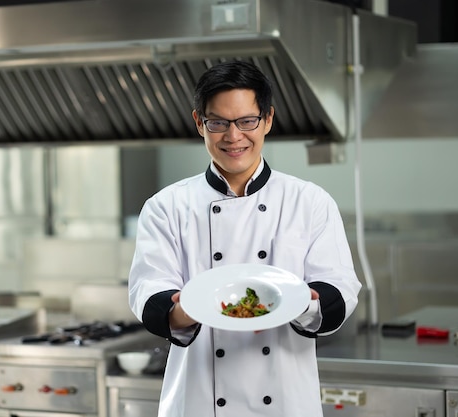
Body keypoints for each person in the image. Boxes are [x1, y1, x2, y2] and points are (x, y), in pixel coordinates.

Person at [128, 60, 362, 417]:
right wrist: (181, 311)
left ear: (267, 119)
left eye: (246, 121)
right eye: (218, 123)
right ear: (199, 123)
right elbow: (149, 292)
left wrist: (307, 302)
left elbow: (339, 289)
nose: (233, 136)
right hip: (199, 402)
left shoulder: (309, 201)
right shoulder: (166, 206)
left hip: (284, 403)